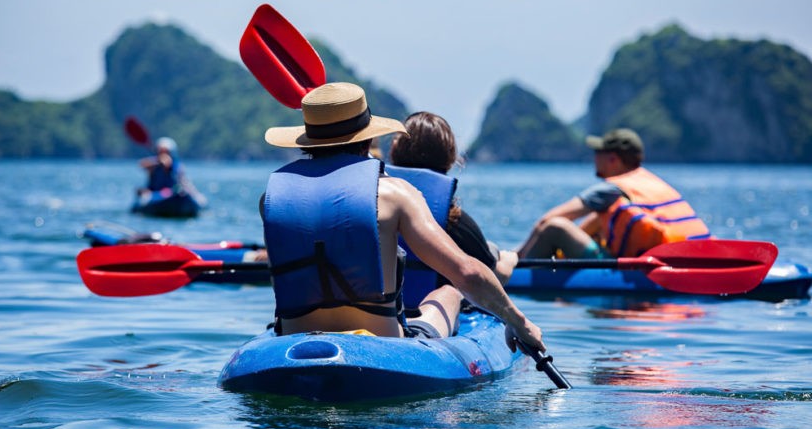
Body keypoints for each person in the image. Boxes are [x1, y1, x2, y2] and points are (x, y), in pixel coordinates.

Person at [260, 82, 545, 355]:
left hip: (293, 337)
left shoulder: (272, 198)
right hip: (383, 342)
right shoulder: (394, 194)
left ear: (306, 142)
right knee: (450, 291)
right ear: (367, 140)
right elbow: (468, 273)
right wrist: (519, 322)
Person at [387, 111, 518, 311]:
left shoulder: (375, 205)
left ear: (394, 151)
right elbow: (488, 280)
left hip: (383, 309)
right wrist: (510, 262)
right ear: (449, 158)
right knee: (492, 256)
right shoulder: (453, 221)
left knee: (489, 249)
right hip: (432, 311)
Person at [517, 128, 711, 259]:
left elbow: (545, 221)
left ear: (613, 159)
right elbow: (592, 224)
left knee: (555, 227)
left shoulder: (610, 188)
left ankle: (512, 276)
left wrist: (515, 259)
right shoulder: (651, 183)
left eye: (598, 153)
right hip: (684, 257)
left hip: (635, 269)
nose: (594, 158)